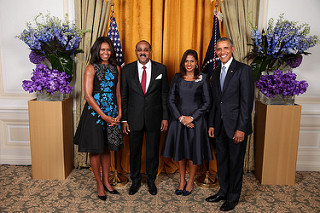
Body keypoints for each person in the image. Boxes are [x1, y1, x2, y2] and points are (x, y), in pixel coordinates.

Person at [205, 37, 254, 211]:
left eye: (225, 48)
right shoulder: (216, 71)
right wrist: (211, 124)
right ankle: (223, 192)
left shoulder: (243, 70)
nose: (222, 52)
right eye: (219, 49)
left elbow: (247, 103)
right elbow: (216, 101)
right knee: (223, 162)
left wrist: (241, 128)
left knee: (235, 163)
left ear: (232, 49)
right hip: (219, 126)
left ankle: (233, 198)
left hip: (236, 127)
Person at [74, 37, 123, 201]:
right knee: (95, 149)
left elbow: (118, 93)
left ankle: (106, 181)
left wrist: (120, 113)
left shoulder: (116, 68)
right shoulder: (91, 68)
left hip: (112, 112)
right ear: (97, 50)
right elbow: (88, 95)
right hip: (96, 114)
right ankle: (99, 184)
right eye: (102, 49)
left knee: (107, 148)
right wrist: (104, 116)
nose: (105, 52)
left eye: (108, 49)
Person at [162, 49, 213, 196]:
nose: (189, 64)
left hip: (196, 122)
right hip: (179, 120)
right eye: (186, 61)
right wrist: (181, 118)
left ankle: (190, 181)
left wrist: (192, 118)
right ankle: (181, 181)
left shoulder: (203, 78)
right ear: (183, 63)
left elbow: (207, 102)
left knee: (193, 153)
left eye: (192, 61)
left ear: (197, 63)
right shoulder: (177, 78)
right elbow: (170, 100)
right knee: (181, 152)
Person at [121, 40, 169, 195]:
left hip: (154, 118)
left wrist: (165, 117)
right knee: (134, 151)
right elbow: (124, 96)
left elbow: (164, 95)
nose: (143, 52)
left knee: (152, 152)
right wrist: (124, 119)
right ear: (135, 51)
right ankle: (135, 181)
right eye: (140, 50)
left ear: (150, 51)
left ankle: (150, 181)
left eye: (146, 50)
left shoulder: (161, 69)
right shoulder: (127, 70)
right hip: (133, 119)